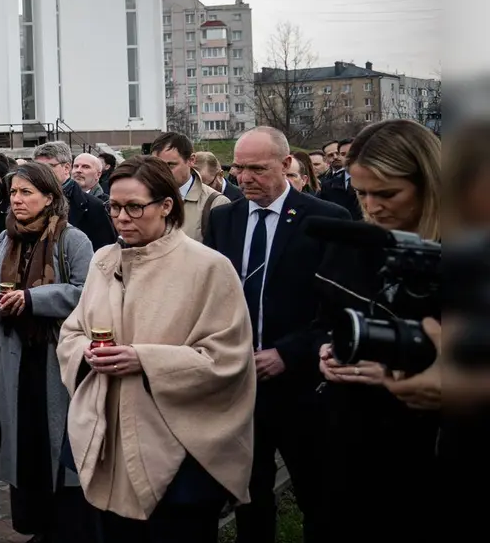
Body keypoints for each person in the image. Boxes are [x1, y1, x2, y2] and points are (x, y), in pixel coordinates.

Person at [60, 156, 255, 542]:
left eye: (135, 206)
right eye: (114, 207)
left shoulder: (208, 267)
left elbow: (227, 358)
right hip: (108, 439)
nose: (122, 217)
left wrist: (143, 359)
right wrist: (86, 352)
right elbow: (72, 332)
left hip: (180, 453)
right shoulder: (104, 259)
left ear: (167, 206)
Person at [205, 127, 348, 543]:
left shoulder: (325, 219)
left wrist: (288, 353)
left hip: (303, 385)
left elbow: (339, 310)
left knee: (316, 495)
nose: (244, 177)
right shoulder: (223, 218)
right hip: (239, 383)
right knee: (249, 494)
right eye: (238, 168)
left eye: (257, 169)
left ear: (287, 165)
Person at [315, 119, 442, 539]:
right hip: (349, 437)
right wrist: (328, 351)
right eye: (361, 193)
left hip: (425, 451)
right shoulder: (352, 245)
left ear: (429, 185)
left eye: (387, 194)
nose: (372, 207)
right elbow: (325, 319)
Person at [0, 160, 94, 542]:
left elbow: (88, 292)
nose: (16, 200)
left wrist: (34, 299)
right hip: (15, 358)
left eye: (26, 192)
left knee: (60, 444)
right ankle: (35, 525)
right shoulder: (3, 241)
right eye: (14, 192)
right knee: (25, 444)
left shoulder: (72, 240)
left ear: (49, 197)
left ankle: (66, 527)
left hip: (56, 358)